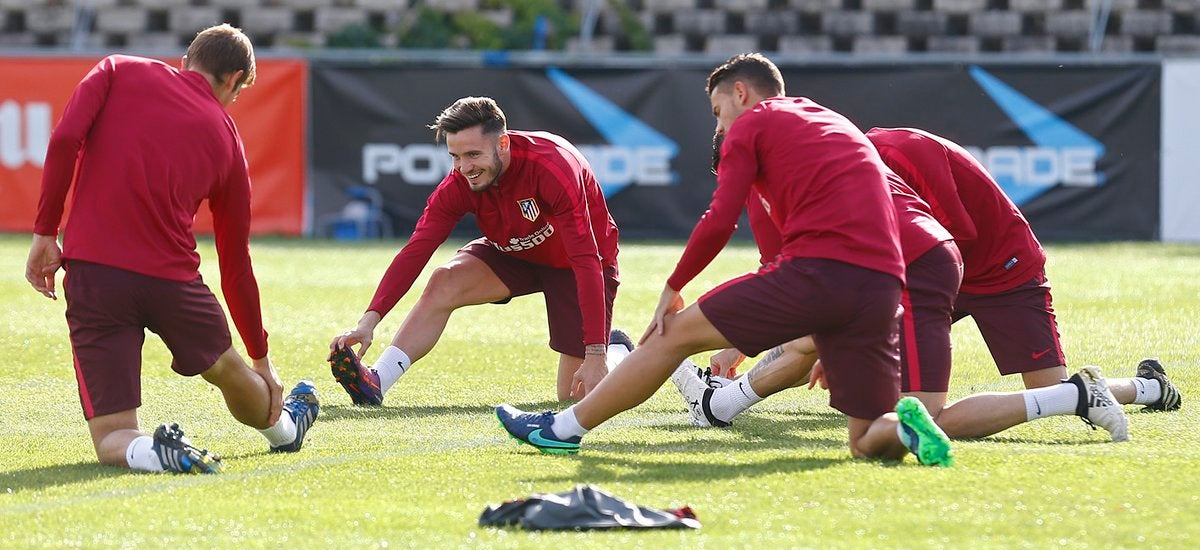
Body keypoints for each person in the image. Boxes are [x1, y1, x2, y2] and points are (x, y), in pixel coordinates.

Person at [496, 53, 954, 466]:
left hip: (820, 272)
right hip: (883, 286)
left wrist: (672, 286)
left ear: (741, 93)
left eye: (718, 112)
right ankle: (905, 427)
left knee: (669, 333)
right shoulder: (830, 120)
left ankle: (561, 430)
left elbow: (719, 220)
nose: (718, 128)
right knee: (866, 438)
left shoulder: (753, 123)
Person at [672, 127, 1180, 440]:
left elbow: (952, 237)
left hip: (993, 264)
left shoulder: (890, 150)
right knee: (817, 335)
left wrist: (854, 327)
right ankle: (1149, 387)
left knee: (929, 415)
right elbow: (792, 282)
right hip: (933, 267)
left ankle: (1131, 389)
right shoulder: (802, 183)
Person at [24, 24, 318, 474]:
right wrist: (261, 357)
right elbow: (236, 263)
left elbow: (65, 140)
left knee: (113, 436)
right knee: (230, 371)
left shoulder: (118, 69)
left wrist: (46, 233)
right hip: (174, 284)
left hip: (96, 276)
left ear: (187, 59)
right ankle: (285, 429)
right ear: (235, 79)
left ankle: (157, 451)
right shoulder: (229, 139)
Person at [328, 96, 624, 405]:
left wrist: (595, 351)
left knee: (575, 395)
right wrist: (369, 321)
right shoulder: (460, 182)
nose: (463, 167)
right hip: (514, 253)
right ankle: (377, 381)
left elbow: (586, 259)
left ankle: (616, 351)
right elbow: (417, 249)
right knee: (446, 279)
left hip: (576, 264)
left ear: (503, 144)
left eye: (472, 154)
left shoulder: (553, 167)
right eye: (455, 156)